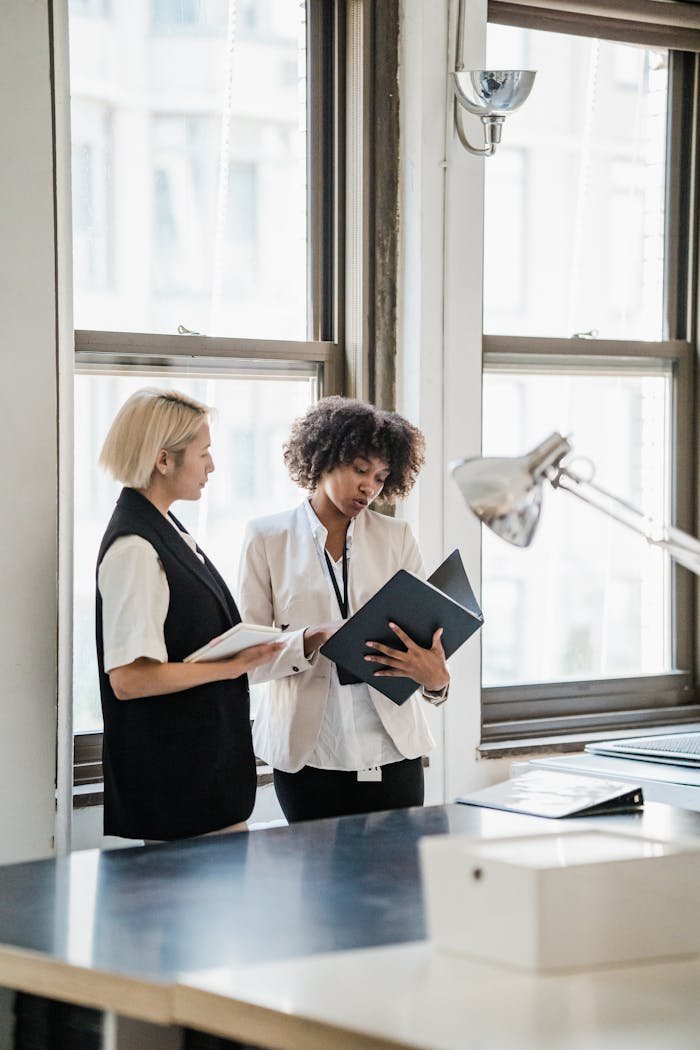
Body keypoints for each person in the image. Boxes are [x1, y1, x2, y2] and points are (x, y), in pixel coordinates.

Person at [237, 396, 450, 823]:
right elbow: (246, 661)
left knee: (398, 886)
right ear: (324, 457)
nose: (369, 487)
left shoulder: (398, 536)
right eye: (359, 470)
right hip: (307, 755)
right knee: (319, 888)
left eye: (380, 476)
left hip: (394, 749)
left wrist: (437, 683)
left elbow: (429, 641)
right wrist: (311, 639)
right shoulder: (266, 538)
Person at [96, 388, 282, 842]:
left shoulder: (170, 531)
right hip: (177, 792)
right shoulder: (135, 549)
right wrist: (229, 666)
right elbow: (130, 679)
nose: (212, 467)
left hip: (204, 784)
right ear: (163, 460)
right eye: (204, 453)